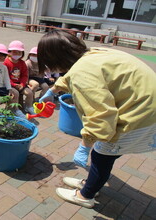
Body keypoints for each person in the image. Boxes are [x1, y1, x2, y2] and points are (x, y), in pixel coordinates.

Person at [38, 30, 156, 208]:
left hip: (141, 116)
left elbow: (101, 117)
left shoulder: (82, 73)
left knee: (102, 156)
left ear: (56, 59)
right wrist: (53, 90)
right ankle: (91, 183)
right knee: (105, 154)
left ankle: (86, 195)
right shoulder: (92, 54)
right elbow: (72, 75)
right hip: (146, 104)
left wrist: (85, 146)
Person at [0, 43, 26, 118]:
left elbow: (6, 79)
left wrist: (9, 89)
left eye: (3, 55)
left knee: (14, 93)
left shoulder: (3, 67)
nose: (0, 57)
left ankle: (10, 110)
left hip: (1, 87)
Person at [3, 40, 35, 115]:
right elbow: (5, 77)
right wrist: (14, 85)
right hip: (9, 85)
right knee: (16, 93)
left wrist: (22, 84)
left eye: (19, 52)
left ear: (22, 54)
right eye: (14, 52)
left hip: (20, 84)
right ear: (9, 52)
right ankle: (16, 110)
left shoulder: (22, 63)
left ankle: (28, 106)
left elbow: (24, 75)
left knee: (29, 93)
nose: (17, 54)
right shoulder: (6, 62)